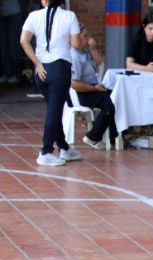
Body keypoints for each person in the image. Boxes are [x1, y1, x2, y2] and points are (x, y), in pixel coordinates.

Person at [20, 0, 83, 166]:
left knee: (53, 111)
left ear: (44, 1)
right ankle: (46, 151)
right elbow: (77, 44)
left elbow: (23, 40)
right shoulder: (69, 16)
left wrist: (37, 63)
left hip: (41, 70)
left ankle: (64, 147)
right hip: (60, 69)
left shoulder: (34, 15)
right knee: (54, 112)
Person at [70, 23, 117, 150]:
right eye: (85, 36)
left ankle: (113, 136)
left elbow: (99, 63)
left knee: (116, 95)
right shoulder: (74, 56)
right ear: (76, 38)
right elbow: (74, 84)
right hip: (83, 92)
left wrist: (93, 48)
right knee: (109, 106)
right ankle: (93, 137)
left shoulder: (84, 51)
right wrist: (94, 88)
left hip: (93, 87)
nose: (88, 38)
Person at [1, 0, 23, 83]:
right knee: (4, 47)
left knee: (14, 46)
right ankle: (8, 73)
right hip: (2, 15)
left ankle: (15, 73)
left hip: (14, 13)